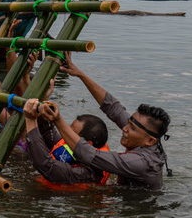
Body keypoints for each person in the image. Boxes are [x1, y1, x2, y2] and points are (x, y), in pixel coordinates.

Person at [41, 54, 171, 188]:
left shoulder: (140, 162)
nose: (125, 128)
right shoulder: (142, 133)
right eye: (129, 123)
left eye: (132, 128)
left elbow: (89, 154)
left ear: (150, 141)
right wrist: (80, 74)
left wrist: (57, 119)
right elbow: (112, 107)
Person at [22, 97, 110, 187]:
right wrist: (43, 115)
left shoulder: (90, 172)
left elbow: (47, 166)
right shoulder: (79, 145)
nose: (66, 133)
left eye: (71, 133)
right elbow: (48, 133)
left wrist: (30, 120)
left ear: (88, 144)